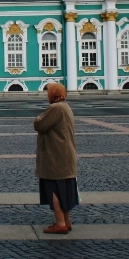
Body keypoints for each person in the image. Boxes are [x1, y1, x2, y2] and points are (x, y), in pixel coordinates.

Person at [34, 83, 78, 234]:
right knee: (64, 190)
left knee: (54, 189)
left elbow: (39, 124)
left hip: (56, 156)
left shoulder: (56, 108)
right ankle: (66, 221)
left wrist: (37, 118)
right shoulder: (65, 106)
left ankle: (60, 223)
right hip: (64, 155)